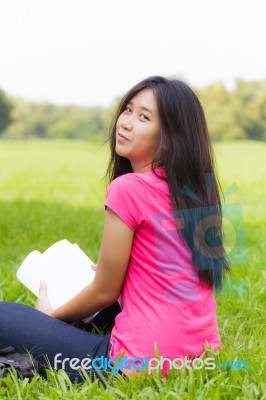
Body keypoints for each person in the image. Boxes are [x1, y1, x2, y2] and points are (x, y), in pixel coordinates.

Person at [0, 76, 229, 381]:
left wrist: (50, 317)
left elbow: (104, 293)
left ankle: (24, 363)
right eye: (128, 109)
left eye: (143, 117)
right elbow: (181, 282)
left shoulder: (129, 188)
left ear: (171, 137)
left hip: (131, 365)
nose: (126, 122)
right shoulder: (201, 191)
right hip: (202, 359)